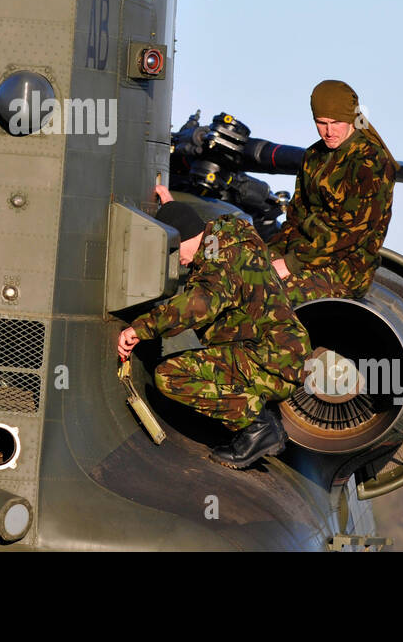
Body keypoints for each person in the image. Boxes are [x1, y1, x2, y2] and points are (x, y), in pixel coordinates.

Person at [116, 189, 312, 469]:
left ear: (184, 238)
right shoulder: (232, 235)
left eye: (174, 248)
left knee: (170, 375)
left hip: (268, 362)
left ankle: (256, 426)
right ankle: (265, 418)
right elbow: (195, 236)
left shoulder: (215, 265)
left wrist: (139, 329)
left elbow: (199, 304)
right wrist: (172, 210)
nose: (178, 259)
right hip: (285, 354)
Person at [267, 80, 398, 304]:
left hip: (342, 272)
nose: (328, 132)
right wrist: (272, 255)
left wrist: (290, 264)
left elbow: (350, 234)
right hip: (301, 256)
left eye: (336, 122)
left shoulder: (371, 162)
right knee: (238, 268)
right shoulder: (313, 156)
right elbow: (295, 219)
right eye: (321, 123)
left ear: (351, 119)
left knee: (263, 295)